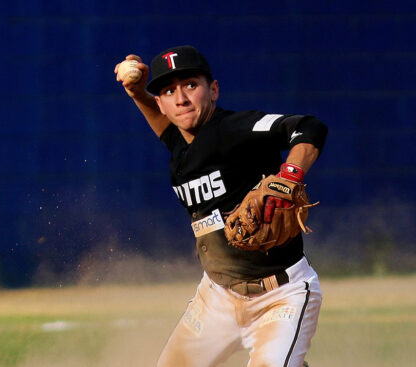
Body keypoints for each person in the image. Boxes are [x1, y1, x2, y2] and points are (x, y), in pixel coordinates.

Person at [115, 45, 327, 367]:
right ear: (160, 102)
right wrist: (136, 93)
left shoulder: (237, 129)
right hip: (216, 298)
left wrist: (289, 176)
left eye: (191, 85)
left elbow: (308, 127)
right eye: (169, 91)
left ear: (213, 89)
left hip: (280, 297)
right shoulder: (179, 144)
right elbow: (167, 124)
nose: (181, 98)